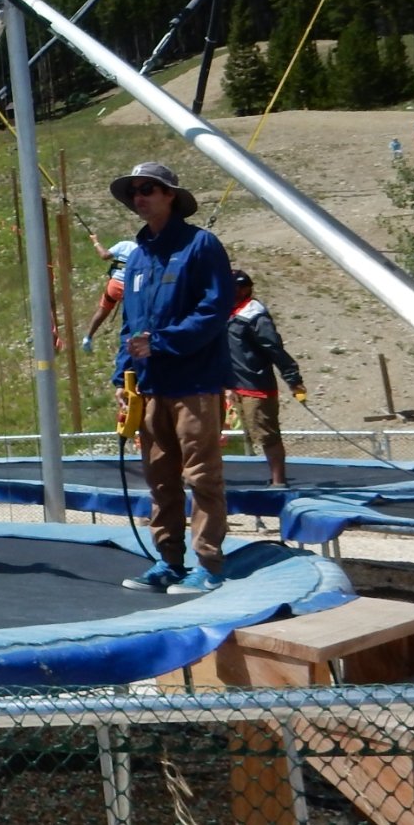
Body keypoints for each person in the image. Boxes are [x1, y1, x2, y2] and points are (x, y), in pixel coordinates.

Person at [107, 161, 235, 596]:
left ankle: (209, 565)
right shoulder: (138, 257)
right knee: (159, 477)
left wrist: (162, 341)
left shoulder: (202, 246)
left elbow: (215, 311)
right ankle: (169, 561)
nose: (139, 197)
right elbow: (129, 324)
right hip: (149, 386)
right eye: (134, 191)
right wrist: (122, 382)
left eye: (148, 189)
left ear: (171, 196)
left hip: (195, 382)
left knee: (201, 475)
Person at [226, 269, 308, 488]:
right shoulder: (228, 312)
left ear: (244, 289)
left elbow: (274, 349)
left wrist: (292, 378)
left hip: (255, 384)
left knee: (267, 434)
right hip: (230, 385)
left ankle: (278, 480)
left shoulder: (254, 315)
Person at [79, 238, 138, 351]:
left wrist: (96, 242)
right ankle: (129, 343)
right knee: (131, 318)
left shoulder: (123, 245)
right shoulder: (141, 250)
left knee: (102, 311)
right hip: (129, 289)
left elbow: (104, 255)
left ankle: (88, 338)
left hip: (114, 286)